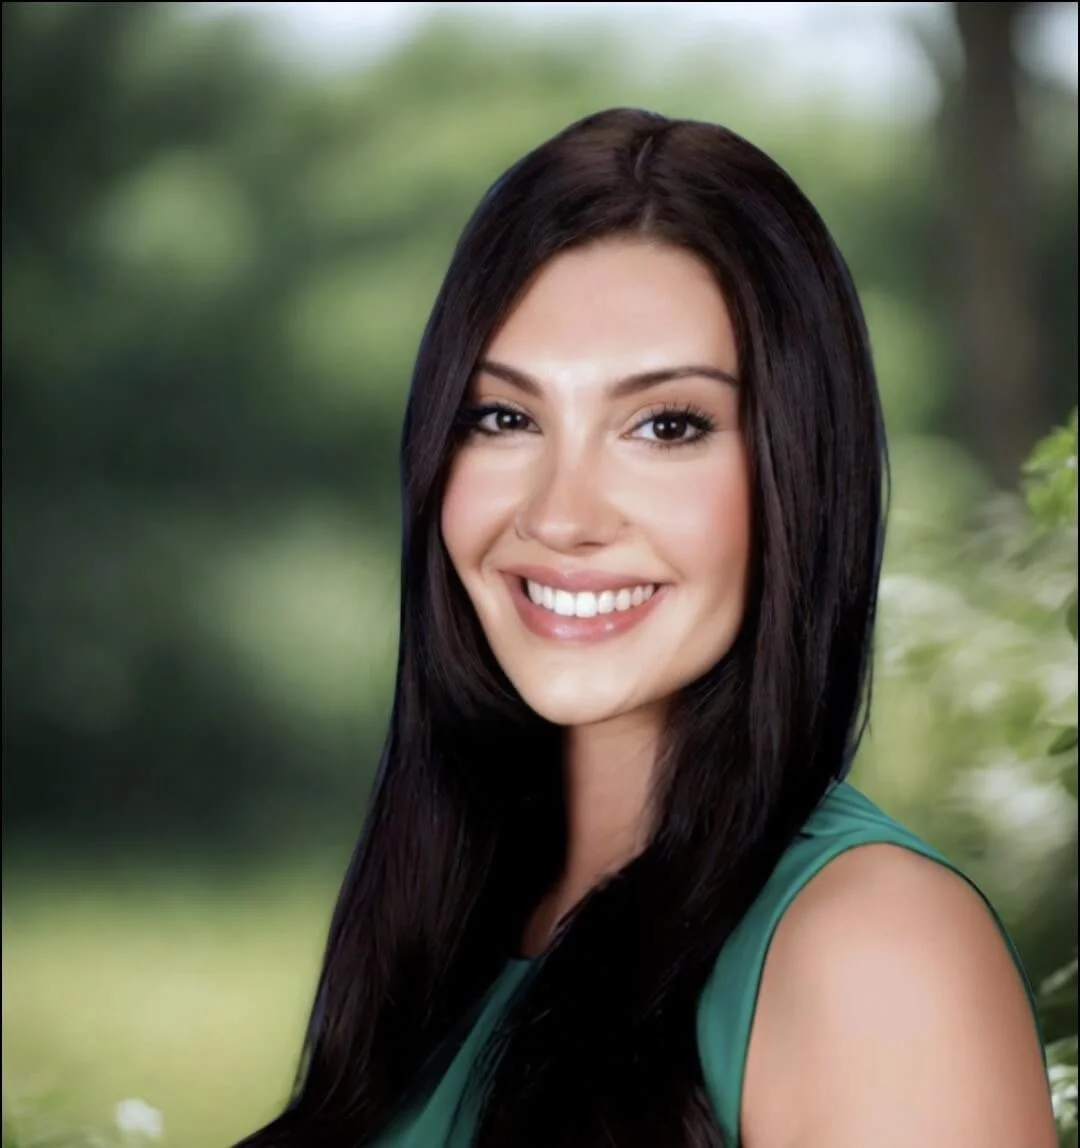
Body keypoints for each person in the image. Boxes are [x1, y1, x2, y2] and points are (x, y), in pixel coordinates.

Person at [238, 108, 1056, 1148]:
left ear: (799, 472)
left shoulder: (875, 953)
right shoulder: (451, 928)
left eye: (667, 425)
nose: (562, 514)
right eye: (503, 417)